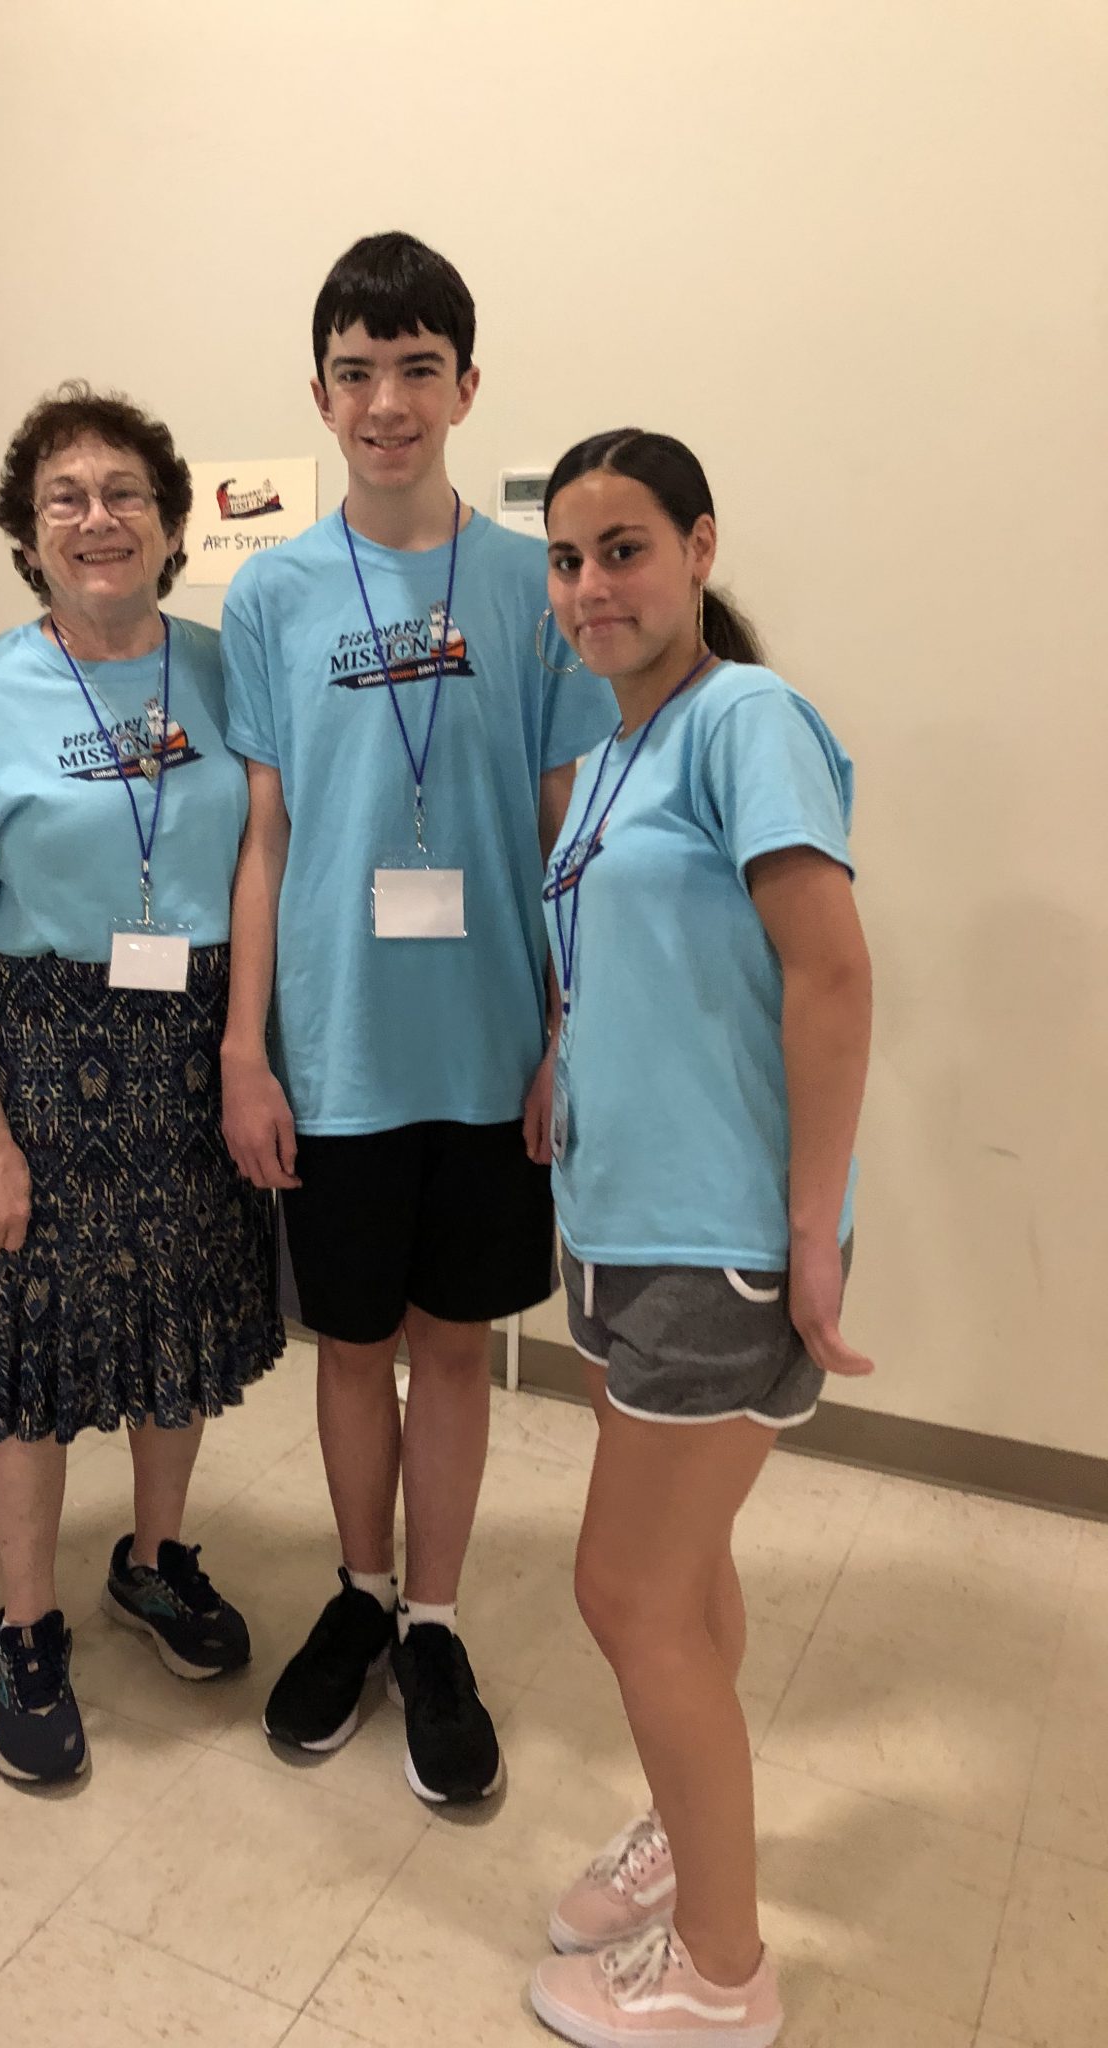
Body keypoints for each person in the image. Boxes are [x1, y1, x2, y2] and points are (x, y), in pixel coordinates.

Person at [219, 232, 610, 1805]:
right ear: (321, 393)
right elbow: (264, 836)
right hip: (337, 1050)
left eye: (418, 368)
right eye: (358, 371)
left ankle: (433, 1624)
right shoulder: (273, 593)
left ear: (465, 386)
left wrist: (569, 1031)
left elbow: (566, 823)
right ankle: (361, 1595)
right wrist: (245, 1049)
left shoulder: (532, 586)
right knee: (349, 1347)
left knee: (454, 1350)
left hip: (490, 1049)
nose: (388, 400)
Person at [526, 429, 872, 2048]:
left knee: (624, 1591)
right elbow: (636, 957)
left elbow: (832, 975)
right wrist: (563, 1059)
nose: (592, 585)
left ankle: (725, 1973)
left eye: (625, 549)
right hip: (619, 1218)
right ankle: (688, 1825)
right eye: (568, 559)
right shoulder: (613, 754)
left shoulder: (746, 718)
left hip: (718, 1241)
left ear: (699, 549)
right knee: (686, 1572)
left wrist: (814, 1228)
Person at [0, 384, 283, 1787]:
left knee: (178, 1327)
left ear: (172, 526)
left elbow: (263, 855)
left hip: (194, 1048)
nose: (98, 517)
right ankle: (25, 1623)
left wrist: (247, 1048)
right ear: (26, 534)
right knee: (29, 1359)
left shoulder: (227, 672)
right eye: (66, 496)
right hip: (42, 1056)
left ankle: (154, 1559)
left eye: (126, 492)